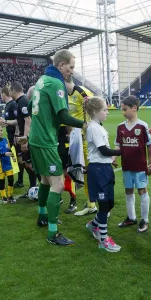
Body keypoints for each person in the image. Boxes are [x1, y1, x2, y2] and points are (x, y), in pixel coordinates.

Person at [29, 49, 87, 246]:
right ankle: (53, 234)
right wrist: (85, 124)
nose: (72, 71)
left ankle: (42, 216)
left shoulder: (42, 79)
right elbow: (63, 116)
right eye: (70, 67)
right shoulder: (55, 83)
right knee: (58, 185)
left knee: (45, 180)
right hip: (45, 142)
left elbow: (31, 108)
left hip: (35, 139)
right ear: (61, 65)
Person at [84, 97, 122, 252]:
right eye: (104, 110)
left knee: (110, 203)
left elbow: (103, 150)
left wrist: (111, 160)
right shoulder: (93, 127)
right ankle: (103, 239)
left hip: (105, 168)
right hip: (98, 170)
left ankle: (93, 225)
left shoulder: (99, 126)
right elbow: (103, 150)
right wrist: (122, 151)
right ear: (95, 112)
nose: (107, 112)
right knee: (104, 204)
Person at [115, 95, 151, 233]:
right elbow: (118, 146)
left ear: (134, 108)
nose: (123, 112)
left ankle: (145, 220)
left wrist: (150, 164)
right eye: (122, 110)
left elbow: (149, 146)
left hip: (140, 167)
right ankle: (131, 217)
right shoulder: (120, 127)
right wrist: (114, 158)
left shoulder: (143, 126)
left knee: (142, 191)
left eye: (125, 109)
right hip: (126, 166)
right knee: (128, 191)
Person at [64, 76, 95, 215]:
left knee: (89, 170)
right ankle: (91, 202)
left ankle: (93, 203)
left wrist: (91, 130)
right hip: (73, 139)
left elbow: (96, 110)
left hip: (85, 138)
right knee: (79, 169)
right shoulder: (63, 95)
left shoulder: (82, 92)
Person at [9, 81, 37, 197]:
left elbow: (28, 121)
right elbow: (21, 121)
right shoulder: (20, 101)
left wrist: (25, 140)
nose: (9, 93)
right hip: (23, 137)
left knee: (31, 165)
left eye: (10, 91)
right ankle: (33, 188)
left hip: (28, 138)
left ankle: (42, 189)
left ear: (13, 91)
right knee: (27, 164)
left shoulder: (23, 101)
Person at [1, 85, 22, 188]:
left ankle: (20, 180)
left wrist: (15, 134)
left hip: (15, 135)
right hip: (10, 135)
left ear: (3, 94)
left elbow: (18, 121)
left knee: (19, 158)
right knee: (15, 158)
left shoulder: (13, 104)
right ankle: (19, 179)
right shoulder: (8, 105)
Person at [0, 124, 15, 204]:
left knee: (11, 180)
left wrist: (13, 155)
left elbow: (9, 149)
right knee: (2, 182)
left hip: (8, 164)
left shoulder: (5, 140)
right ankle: (3, 196)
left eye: (1, 130)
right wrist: (5, 154)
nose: (0, 132)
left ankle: (10, 195)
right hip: (0, 167)